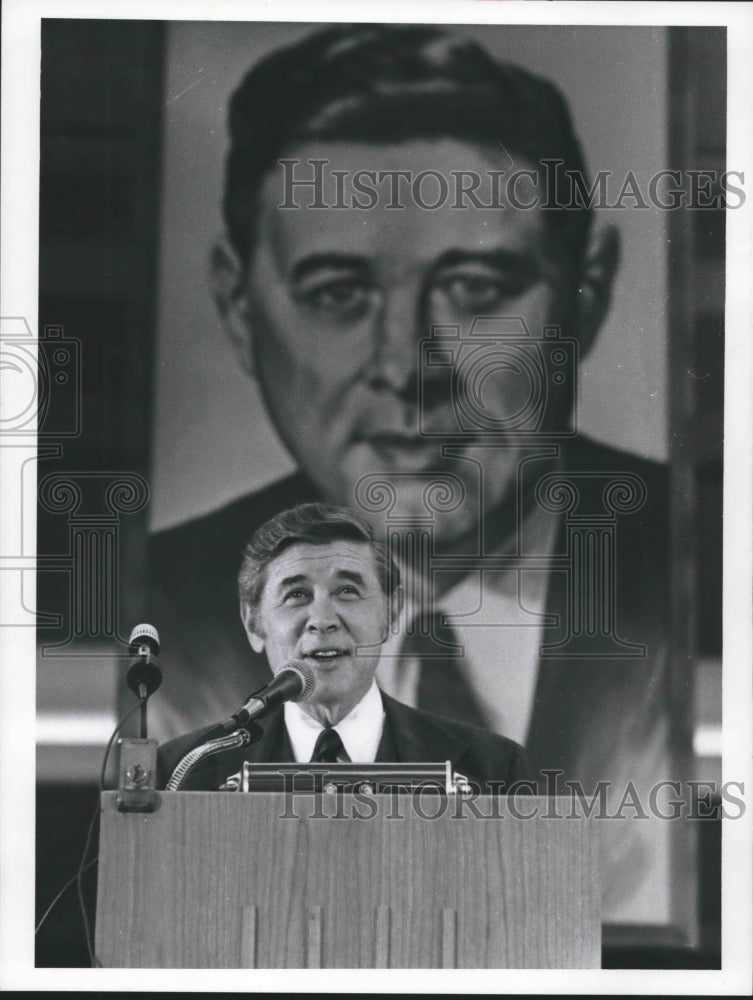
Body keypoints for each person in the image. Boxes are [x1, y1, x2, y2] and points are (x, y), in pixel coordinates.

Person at [149, 24, 670, 917]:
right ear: (239, 308)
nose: (410, 366)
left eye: (473, 287)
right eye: (337, 294)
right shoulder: (158, 612)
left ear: (584, 295)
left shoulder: (711, 570)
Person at [157, 503, 531, 792]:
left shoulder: (493, 770)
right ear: (254, 623)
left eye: (347, 591)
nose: (322, 619)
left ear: (391, 612)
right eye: (297, 594)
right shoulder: (184, 772)